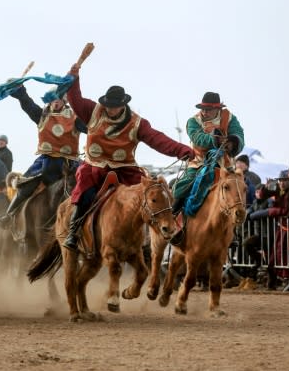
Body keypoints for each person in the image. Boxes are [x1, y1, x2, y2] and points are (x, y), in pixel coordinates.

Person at [63, 64, 194, 250]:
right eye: (109, 106)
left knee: (150, 198)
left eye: (115, 106)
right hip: (94, 168)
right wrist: (74, 78)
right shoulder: (93, 110)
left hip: (125, 170)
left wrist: (182, 150)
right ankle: (73, 232)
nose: (111, 109)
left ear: (123, 104)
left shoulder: (137, 123)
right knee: (85, 195)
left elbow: (158, 139)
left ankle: (153, 239)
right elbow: (75, 100)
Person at [0, 86, 86, 226]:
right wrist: (21, 92)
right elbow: (28, 105)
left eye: (59, 99)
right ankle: (9, 216)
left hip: (69, 163)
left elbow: (91, 129)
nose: (56, 102)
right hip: (46, 162)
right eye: (53, 99)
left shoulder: (74, 118)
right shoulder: (42, 115)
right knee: (25, 187)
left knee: (89, 183)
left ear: (64, 101)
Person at [172, 92, 244, 214]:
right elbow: (197, 138)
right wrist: (215, 139)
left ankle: (235, 222)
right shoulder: (193, 121)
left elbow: (239, 135)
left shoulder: (230, 118)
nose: (204, 112)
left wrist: (233, 142)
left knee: (238, 189)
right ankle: (174, 214)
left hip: (225, 166)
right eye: (203, 109)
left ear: (218, 109)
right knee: (182, 188)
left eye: (208, 109)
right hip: (198, 164)